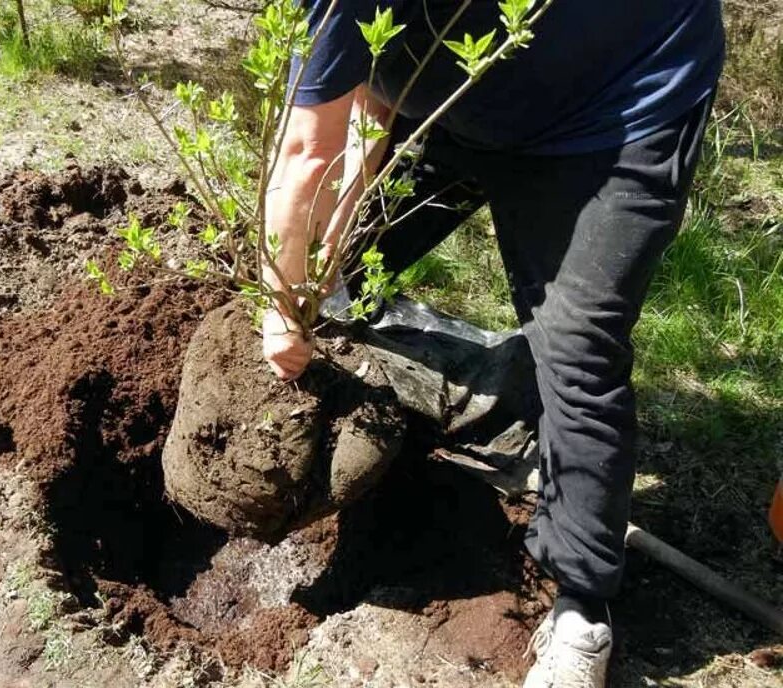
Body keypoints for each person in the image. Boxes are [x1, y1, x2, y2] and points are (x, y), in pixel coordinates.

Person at [261, 1, 725, 686]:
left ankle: (580, 608)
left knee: (578, 347)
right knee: (339, 266)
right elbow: (361, 107)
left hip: (614, 105)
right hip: (462, 86)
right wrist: (311, 275)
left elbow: (304, 152)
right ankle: (451, 408)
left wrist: (277, 311)